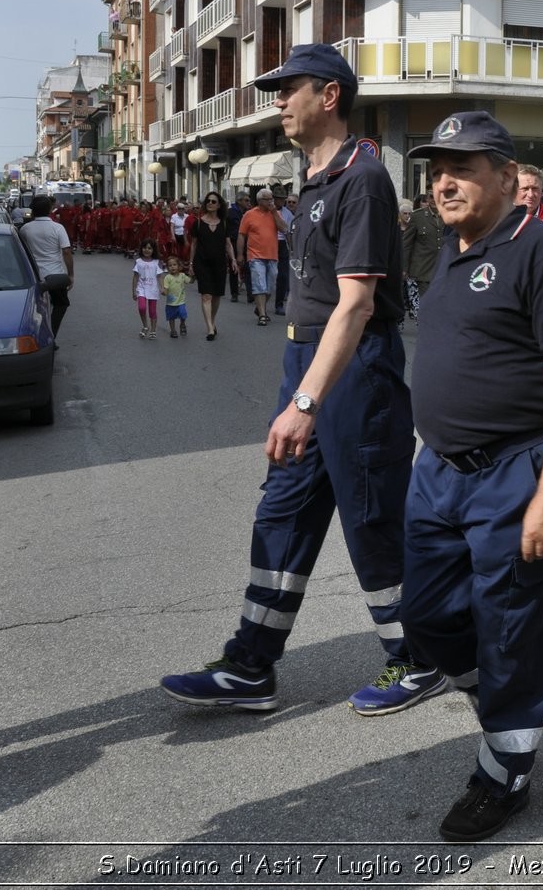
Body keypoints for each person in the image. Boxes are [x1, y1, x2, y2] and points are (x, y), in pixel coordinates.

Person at [161, 43, 439, 715]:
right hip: (308, 363)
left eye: (290, 87)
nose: (278, 100)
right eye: (277, 89)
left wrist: (306, 399)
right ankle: (252, 662)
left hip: (354, 370)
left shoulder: (362, 178)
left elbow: (358, 302)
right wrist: (300, 390)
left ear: (331, 94)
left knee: (372, 516)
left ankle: (420, 656)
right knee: (281, 510)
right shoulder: (311, 178)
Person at [399, 112, 543, 842]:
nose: (443, 182)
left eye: (463, 168)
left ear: (509, 180)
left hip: (516, 470)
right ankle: (513, 698)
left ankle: (506, 770)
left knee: (510, 625)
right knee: (425, 616)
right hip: (439, 473)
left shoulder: (539, 247)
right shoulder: (450, 252)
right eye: (436, 169)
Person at [20, 195, 75, 338]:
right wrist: (70, 274)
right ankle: (52, 334)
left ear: (33, 210)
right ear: (50, 209)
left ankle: (36, 333)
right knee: (61, 304)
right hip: (55, 274)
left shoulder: (25, 229)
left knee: (34, 308)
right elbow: (67, 251)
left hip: (34, 274)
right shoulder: (58, 228)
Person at [187, 190, 237, 340]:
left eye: (213, 201)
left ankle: (212, 321)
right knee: (206, 295)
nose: (210, 203)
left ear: (219, 205)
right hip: (202, 263)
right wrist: (190, 264)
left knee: (216, 295)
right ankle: (209, 328)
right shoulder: (198, 222)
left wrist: (233, 259)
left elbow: (228, 244)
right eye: (208, 201)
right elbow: (194, 245)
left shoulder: (224, 222)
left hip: (219, 263)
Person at [237, 187, 286, 326]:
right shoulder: (249, 214)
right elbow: (241, 235)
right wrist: (240, 255)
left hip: (272, 255)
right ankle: (263, 315)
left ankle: (259, 308)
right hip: (255, 255)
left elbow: (284, 229)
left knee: (270, 286)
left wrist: (274, 213)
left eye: (272, 199)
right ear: (259, 201)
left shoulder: (275, 213)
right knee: (260, 284)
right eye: (268, 199)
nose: (271, 201)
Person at [402, 191, 446, 315]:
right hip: (424, 269)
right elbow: (407, 244)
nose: (433, 200)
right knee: (427, 302)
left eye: (436, 197)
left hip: (444, 267)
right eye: (431, 197)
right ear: (427, 199)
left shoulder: (449, 215)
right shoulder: (417, 217)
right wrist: (404, 268)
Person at [132, 238, 163, 340]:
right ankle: (145, 326)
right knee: (141, 307)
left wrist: (162, 288)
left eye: (149, 248)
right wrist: (133, 291)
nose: (147, 250)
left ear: (153, 250)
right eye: (144, 248)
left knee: (152, 311)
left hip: (153, 289)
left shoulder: (157, 262)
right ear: (141, 249)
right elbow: (135, 276)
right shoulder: (138, 261)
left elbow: (159, 276)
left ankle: (153, 330)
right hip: (141, 288)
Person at [273, 186, 294, 317]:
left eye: (282, 199)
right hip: (268, 243)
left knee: (283, 275)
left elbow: (289, 232)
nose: (281, 201)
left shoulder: (288, 214)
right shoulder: (267, 211)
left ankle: (279, 304)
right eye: (278, 199)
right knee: (270, 275)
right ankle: (261, 303)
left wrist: (292, 248)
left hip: (282, 245)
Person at [226, 191, 249, 301]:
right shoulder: (230, 213)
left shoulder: (248, 212)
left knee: (249, 267)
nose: (248, 202)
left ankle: (251, 294)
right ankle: (234, 294)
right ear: (239, 201)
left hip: (247, 242)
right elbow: (226, 229)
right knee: (234, 268)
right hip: (234, 242)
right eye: (246, 200)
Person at [162, 256, 191, 338]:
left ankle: (182, 324)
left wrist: (193, 276)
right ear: (167, 268)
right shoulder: (167, 277)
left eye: (174, 265)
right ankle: (173, 330)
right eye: (170, 266)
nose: (172, 267)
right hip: (171, 302)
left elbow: (190, 281)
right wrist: (164, 292)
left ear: (179, 266)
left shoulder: (182, 275)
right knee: (171, 317)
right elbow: (166, 288)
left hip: (181, 301)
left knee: (183, 314)